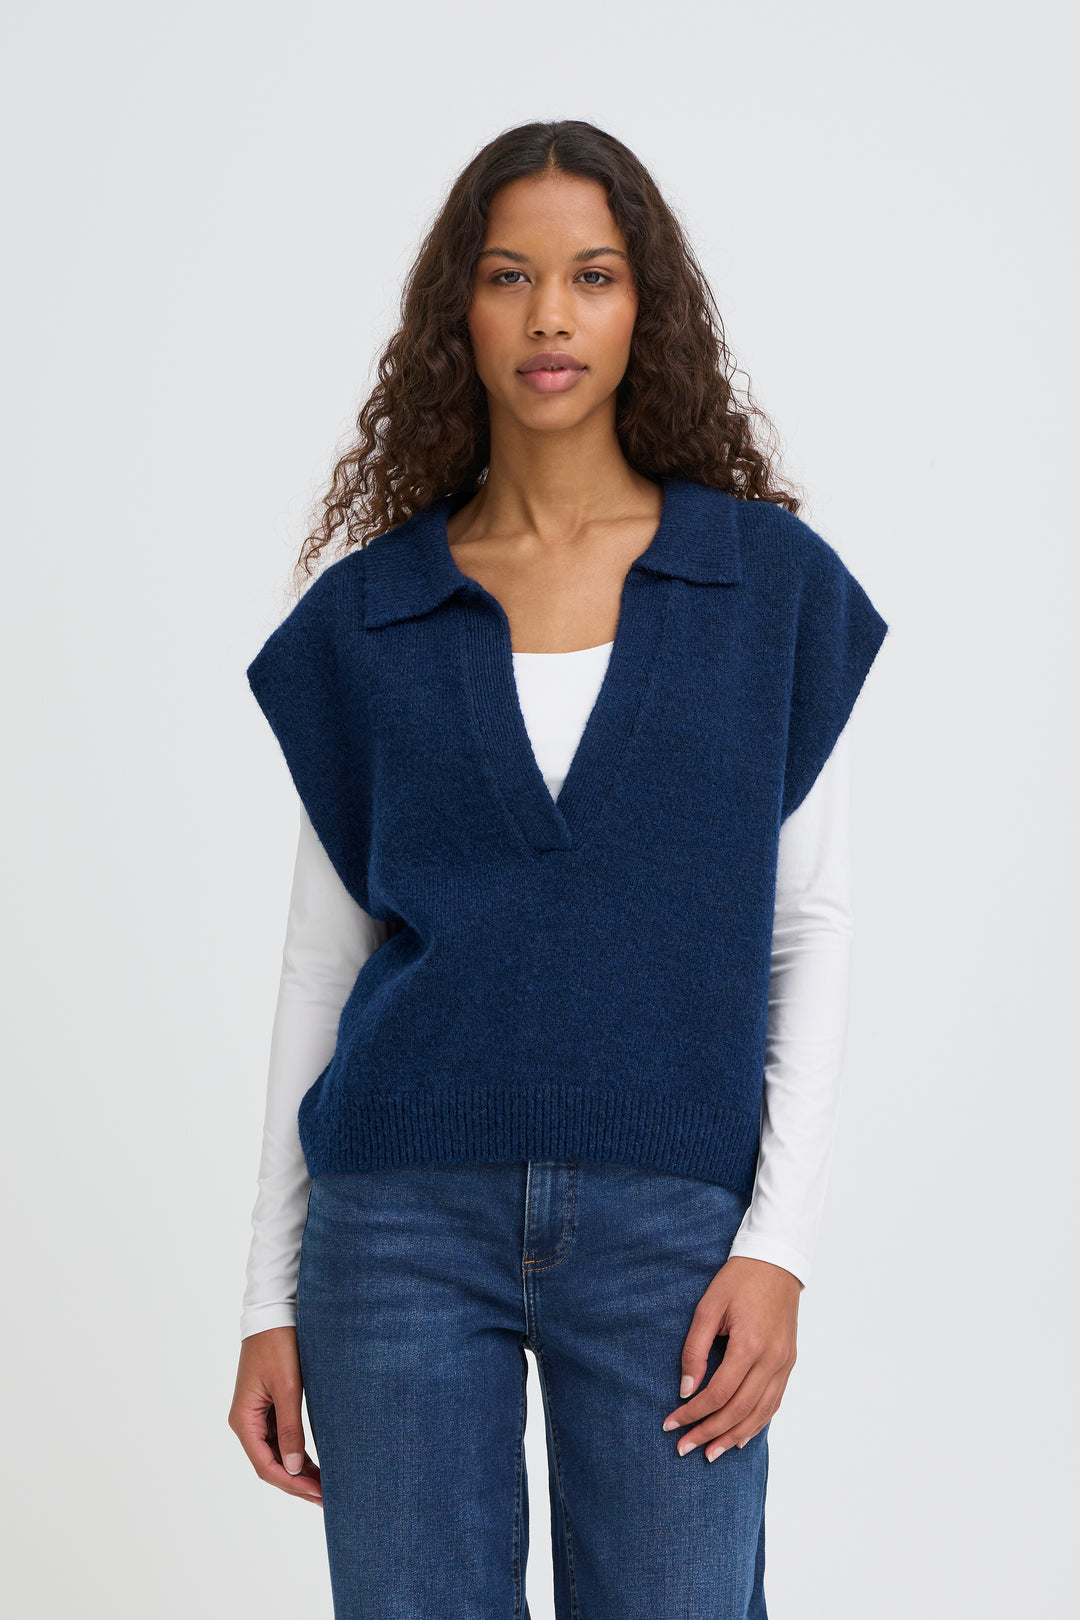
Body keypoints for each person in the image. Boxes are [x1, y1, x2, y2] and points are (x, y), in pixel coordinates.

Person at [228, 118, 889, 1620]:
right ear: (455, 312)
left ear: (645, 306)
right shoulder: (374, 616)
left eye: (591, 276)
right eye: (508, 276)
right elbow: (322, 969)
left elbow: (810, 930)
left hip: (673, 1232)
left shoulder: (763, 589)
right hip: (396, 1226)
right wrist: (267, 1295)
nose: (548, 317)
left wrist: (779, 1249)